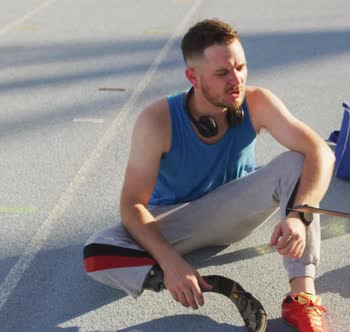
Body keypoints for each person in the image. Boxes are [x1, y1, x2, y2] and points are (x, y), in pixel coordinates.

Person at [83, 18, 335, 332]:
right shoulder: (156, 120)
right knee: (97, 249)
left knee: (297, 162)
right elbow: (132, 204)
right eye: (222, 73)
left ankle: (302, 299)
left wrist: (299, 216)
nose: (237, 80)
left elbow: (321, 152)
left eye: (241, 67)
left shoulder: (257, 103)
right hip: (175, 223)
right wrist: (170, 263)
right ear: (193, 76)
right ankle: (204, 283)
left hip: (233, 210)